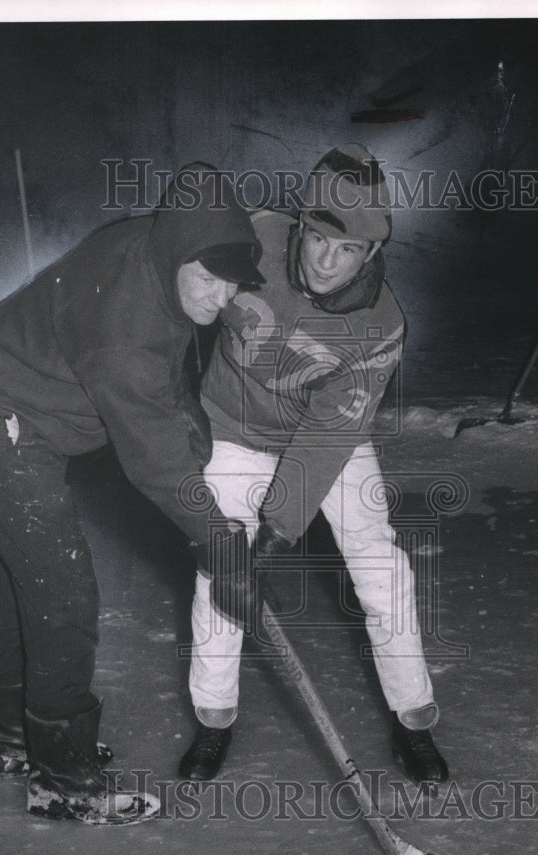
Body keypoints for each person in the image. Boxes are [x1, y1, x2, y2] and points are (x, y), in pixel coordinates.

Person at [0, 163, 264, 825]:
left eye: (231, 280)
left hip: (5, 383)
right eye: (208, 278)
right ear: (175, 256)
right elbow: (154, 462)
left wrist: (199, 442)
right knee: (61, 591)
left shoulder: (159, 253)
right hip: (6, 418)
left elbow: (166, 377)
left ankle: (14, 741)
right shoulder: (123, 331)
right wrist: (224, 548)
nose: (219, 297)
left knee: (13, 579)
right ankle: (62, 776)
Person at [180, 144, 450, 788]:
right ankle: (214, 720)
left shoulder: (381, 326)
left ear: (372, 253)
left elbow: (327, 438)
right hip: (232, 427)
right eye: (320, 239)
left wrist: (270, 546)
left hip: (328, 438)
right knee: (217, 567)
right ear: (300, 225)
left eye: (350, 249)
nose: (328, 262)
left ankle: (413, 719)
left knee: (381, 565)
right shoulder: (246, 238)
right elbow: (175, 285)